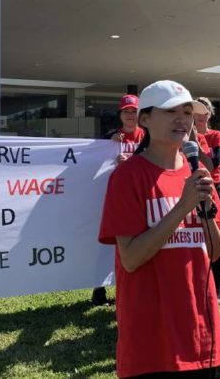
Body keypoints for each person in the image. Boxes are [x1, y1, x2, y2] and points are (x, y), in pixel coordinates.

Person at [98, 80, 220, 378]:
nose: (181, 119)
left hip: (200, 334)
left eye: (186, 111)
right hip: (151, 340)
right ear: (145, 119)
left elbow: (215, 251)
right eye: (170, 111)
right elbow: (131, 257)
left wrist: (205, 209)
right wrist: (183, 206)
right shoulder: (127, 177)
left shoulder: (198, 173)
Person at [92, 93, 145, 306]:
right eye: (126, 111)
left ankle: (135, 290)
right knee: (108, 243)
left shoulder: (148, 136)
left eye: (134, 111)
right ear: (120, 115)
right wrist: (111, 155)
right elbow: (92, 164)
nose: (130, 115)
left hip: (142, 199)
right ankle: (99, 290)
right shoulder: (111, 138)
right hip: (117, 198)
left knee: (139, 244)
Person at [194, 97, 220, 302]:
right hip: (191, 187)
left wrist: (195, 144)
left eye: (202, 110)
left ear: (209, 113)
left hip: (212, 188)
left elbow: (214, 164)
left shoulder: (214, 135)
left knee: (214, 234)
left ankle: (218, 285)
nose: (198, 115)